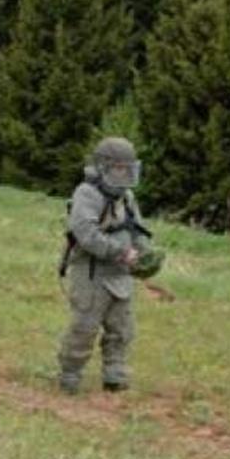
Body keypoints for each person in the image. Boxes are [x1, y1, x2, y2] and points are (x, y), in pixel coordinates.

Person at [57, 137, 150, 395]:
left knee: (122, 329)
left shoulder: (127, 196)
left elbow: (137, 228)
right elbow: (86, 233)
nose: (125, 174)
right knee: (84, 327)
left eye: (128, 168)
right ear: (103, 166)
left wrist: (144, 252)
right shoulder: (87, 193)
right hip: (91, 273)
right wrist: (120, 251)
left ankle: (114, 376)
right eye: (119, 168)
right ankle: (70, 374)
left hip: (121, 274)